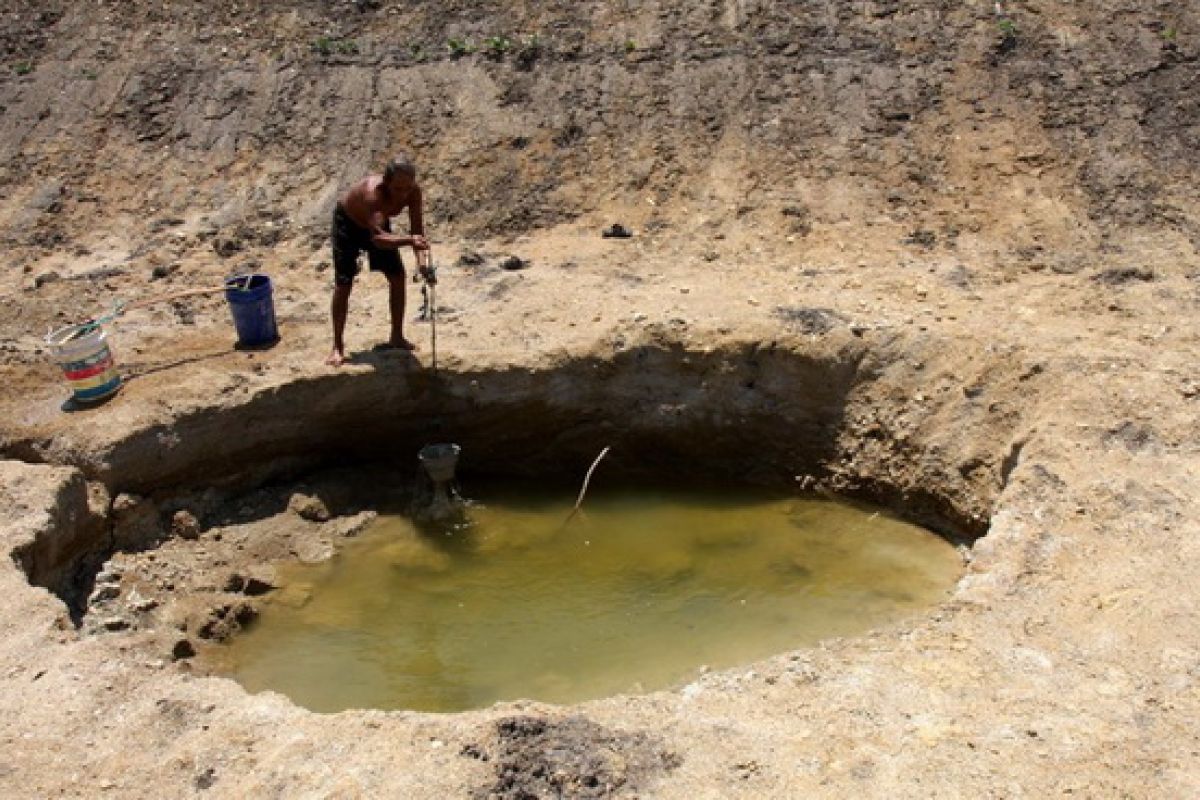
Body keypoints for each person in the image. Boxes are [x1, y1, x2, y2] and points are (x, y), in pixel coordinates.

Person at [326, 154, 431, 367]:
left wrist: (422, 263)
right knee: (343, 284)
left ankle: (397, 336)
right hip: (349, 224)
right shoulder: (373, 195)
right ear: (386, 183)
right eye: (397, 189)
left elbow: (417, 230)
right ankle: (337, 346)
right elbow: (379, 239)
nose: (403, 195)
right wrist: (410, 240)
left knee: (397, 277)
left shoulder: (413, 192)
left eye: (407, 189)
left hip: (379, 227)